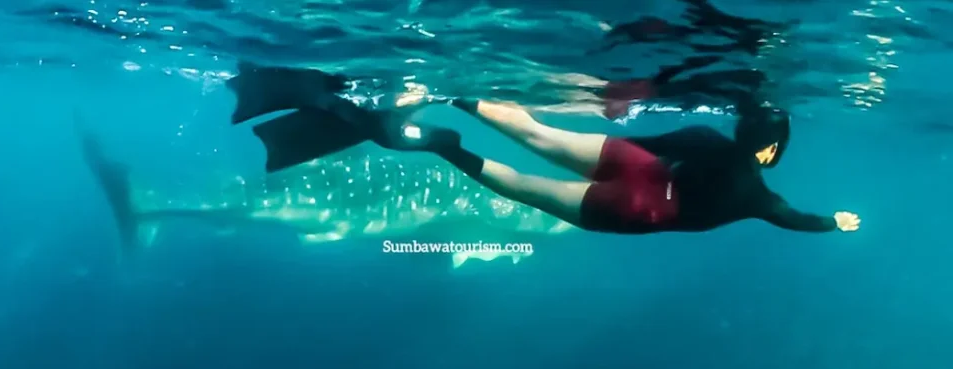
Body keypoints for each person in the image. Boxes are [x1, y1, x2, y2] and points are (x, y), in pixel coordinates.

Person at [226, 62, 860, 235]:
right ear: (771, 154)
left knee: (539, 133)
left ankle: (452, 92)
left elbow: (643, 140)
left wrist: (611, 132)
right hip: (644, 210)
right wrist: (835, 221)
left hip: (641, 165)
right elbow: (795, 219)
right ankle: (444, 148)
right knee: (519, 186)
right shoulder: (757, 197)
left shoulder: (703, 138)